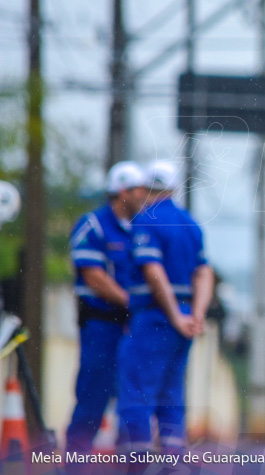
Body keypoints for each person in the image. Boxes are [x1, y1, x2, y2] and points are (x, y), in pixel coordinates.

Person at [118, 161, 214, 455]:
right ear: (173, 188)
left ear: (146, 188)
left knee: (136, 393)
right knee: (171, 396)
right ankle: (174, 461)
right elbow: (204, 272)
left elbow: (153, 270)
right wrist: (195, 315)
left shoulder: (146, 221)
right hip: (184, 319)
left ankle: (138, 461)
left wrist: (173, 315)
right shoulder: (190, 224)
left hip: (155, 317)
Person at [66, 162, 148, 455]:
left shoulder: (141, 228)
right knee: (92, 396)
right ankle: (75, 462)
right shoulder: (94, 225)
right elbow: (93, 276)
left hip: (133, 326)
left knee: (132, 399)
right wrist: (132, 301)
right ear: (123, 191)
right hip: (101, 325)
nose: (145, 196)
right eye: (140, 190)